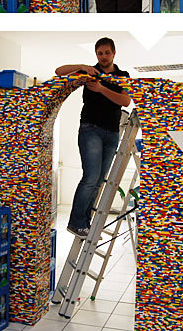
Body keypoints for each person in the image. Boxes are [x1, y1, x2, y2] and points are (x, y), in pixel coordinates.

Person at [55, 37, 131, 237]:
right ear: (96, 54)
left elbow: (125, 101)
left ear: (114, 53)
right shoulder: (90, 72)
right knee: (90, 177)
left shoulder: (122, 76)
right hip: (91, 129)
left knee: (98, 181)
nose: (103, 57)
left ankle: (84, 222)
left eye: (107, 53)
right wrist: (81, 66)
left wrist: (101, 89)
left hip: (112, 133)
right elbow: (59, 71)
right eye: (99, 53)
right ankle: (75, 222)